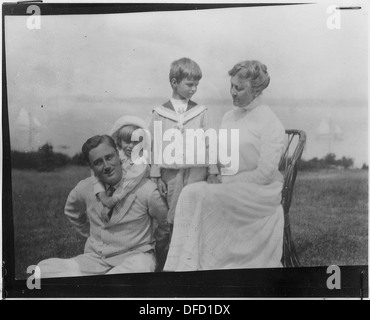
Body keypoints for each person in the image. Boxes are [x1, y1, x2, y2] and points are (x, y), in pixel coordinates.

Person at [164, 60, 286, 271]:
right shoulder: (230, 116)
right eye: (231, 85)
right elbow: (222, 156)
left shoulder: (269, 121)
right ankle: (184, 265)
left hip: (259, 191)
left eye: (239, 88)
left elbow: (266, 173)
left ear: (256, 90)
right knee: (189, 193)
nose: (232, 92)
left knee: (206, 196)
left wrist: (227, 182)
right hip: (229, 184)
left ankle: (210, 264)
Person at [37, 135, 169, 278]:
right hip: (96, 260)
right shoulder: (85, 188)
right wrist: (91, 235)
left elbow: (165, 225)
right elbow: (71, 212)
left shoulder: (146, 189)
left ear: (119, 156)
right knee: (43, 269)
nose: (106, 166)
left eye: (109, 157)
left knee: (139, 267)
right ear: (91, 167)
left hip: (135, 259)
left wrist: (151, 249)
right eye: (98, 162)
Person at [148, 57, 220, 226]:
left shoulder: (200, 111)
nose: (194, 89)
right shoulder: (160, 112)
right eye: (189, 84)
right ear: (174, 82)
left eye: (196, 85)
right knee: (173, 214)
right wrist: (155, 174)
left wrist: (212, 171)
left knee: (195, 212)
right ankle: (173, 251)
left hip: (196, 172)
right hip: (171, 174)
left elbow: (209, 142)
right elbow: (155, 145)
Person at [93, 116, 150, 223]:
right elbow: (96, 172)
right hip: (111, 193)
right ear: (119, 141)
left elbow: (128, 183)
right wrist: (102, 195)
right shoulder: (118, 154)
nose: (131, 146)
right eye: (127, 142)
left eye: (136, 142)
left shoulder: (141, 161)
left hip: (130, 193)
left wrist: (109, 204)